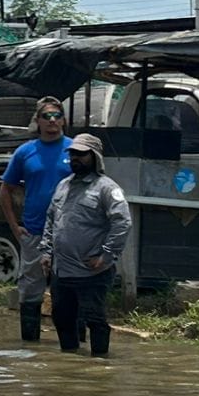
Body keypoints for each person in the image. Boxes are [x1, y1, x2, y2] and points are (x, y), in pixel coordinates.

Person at [40, 132, 132, 357]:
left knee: (95, 319)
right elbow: (51, 219)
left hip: (92, 271)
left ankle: (100, 363)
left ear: (95, 157)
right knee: (61, 318)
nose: (75, 159)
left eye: (81, 155)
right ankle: (70, 364)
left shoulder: (107, 188)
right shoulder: (63, 186)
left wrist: (106, 256)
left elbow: (123, 223)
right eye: (72, 154)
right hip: (62, 270)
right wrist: (46, 251)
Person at [0, 96, 72, 342]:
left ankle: (74, 344)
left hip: (70, 233)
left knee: (71, 289)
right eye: (46, 116)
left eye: (57, 116)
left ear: (64, 120)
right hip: (33, 230)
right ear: (37, 121)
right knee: (31, 291)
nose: (52, 121)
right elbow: (6, 188)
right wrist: (14, 226)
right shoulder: (25, 152)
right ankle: (30, 343)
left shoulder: (76, 149)